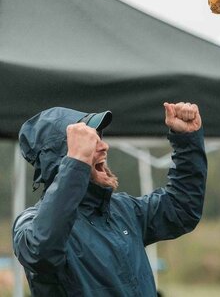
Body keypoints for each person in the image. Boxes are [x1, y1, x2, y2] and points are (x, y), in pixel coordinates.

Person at [12, 102, 207, 296]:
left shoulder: (123, 209)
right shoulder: (31, 223)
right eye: (89, 142)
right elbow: (42, 252)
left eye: (99, 138)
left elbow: (181, 209)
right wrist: (76, 163)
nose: (104, 146)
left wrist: (187, 140)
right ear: (62, 158)